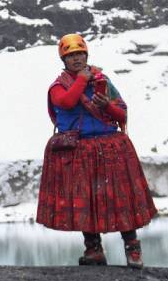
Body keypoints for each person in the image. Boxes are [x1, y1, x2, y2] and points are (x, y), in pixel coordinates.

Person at [36, 33, 156, 268]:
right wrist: (82, 79)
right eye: (70, 56)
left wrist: (107, 106)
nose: (76, 59)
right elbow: (67, 102)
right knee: (85, 199)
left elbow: (122, 114)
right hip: (78, 150)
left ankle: (132, 249)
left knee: (120, 199)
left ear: (86, 54)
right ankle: (94, 250)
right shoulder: (58, 87)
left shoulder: (103, 82)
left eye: (80, 54)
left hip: (109, 146)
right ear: (63, 60)